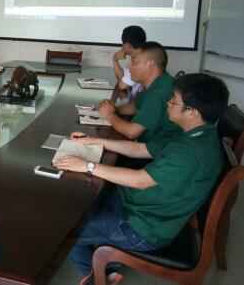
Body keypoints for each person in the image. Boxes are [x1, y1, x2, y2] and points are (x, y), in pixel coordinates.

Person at [54, 73, 229, 285]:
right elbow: (141, 149)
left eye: (173, 101)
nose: (168, 103)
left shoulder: (189, 153)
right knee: (81, 203)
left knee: (63, 228)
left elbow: (140, 180)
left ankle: (95, 278)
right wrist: (94, 141)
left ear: (192, 112)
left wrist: (87, 166)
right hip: (142, 208)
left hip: (142, 229)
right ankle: (110, 268)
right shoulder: (194, 134)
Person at [98, 42, 180, 142]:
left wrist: (109, 115)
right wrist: (113, 109)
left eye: (135, 63)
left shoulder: (159, 92)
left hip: (160, 149)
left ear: (150, 64)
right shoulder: (159, 81)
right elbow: (135, 106)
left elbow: (132, 132)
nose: (129, 67)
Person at [112, 25, 146, 101]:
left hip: (139, 104)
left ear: (127, 44)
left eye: (123, 43)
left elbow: (122, 85)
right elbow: (122, 77)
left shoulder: (139, 62)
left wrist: (114, 60)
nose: (122, 46)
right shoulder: (138, 57)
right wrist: (115, 60)